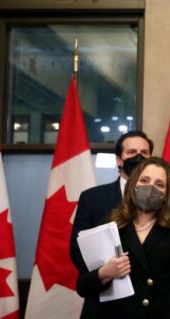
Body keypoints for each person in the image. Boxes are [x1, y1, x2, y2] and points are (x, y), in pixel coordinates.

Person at [76, 157, 170, 318]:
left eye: (159, 184)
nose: (150, 188)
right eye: (144, 180)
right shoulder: (110, 223)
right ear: (133, 185)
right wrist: (104, 273)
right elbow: (82, 286)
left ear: (167, 194)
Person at [70, 130, 154, 317]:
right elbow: (77, 250)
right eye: (132, 152)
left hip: (152, 306)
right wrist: (105, 271)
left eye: (144, 152)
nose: (139, 157)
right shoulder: (92, 198)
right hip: (106, 306)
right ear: (119, 159)